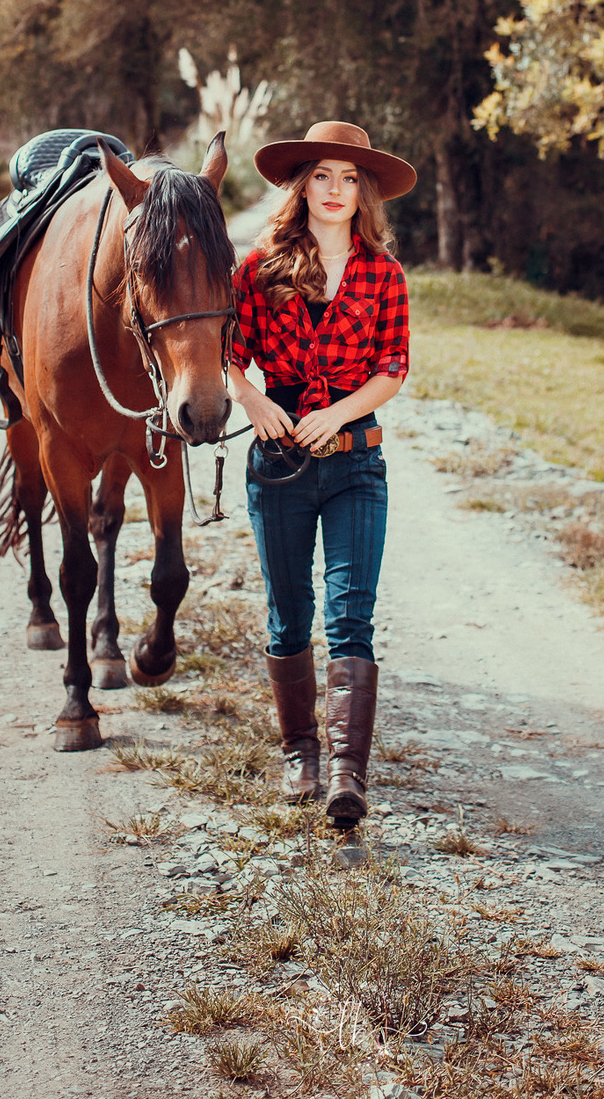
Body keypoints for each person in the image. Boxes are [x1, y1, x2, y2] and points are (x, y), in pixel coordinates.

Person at [227, 120, 416, 827]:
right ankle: (299, 754)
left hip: (355, 466)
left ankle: (347, 774)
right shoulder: (258, 268)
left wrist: (336, 415)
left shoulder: (382, 274)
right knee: (288, 615)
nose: (335, 191)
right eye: (322, 177)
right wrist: (252, 398)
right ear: (301, 185)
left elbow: (393, 369)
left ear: (363, 191)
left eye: (348, 179)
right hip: (277, 468)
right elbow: (228, 354)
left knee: (350, 614)